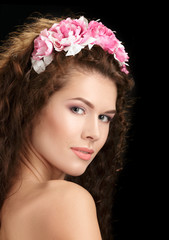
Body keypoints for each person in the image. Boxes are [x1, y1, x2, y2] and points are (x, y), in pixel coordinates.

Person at [0, 15, 134, 239]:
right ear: (31, 103)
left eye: (104, 117)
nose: (93, 133)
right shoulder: (67, 202)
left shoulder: (10, 207)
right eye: (77, 109)